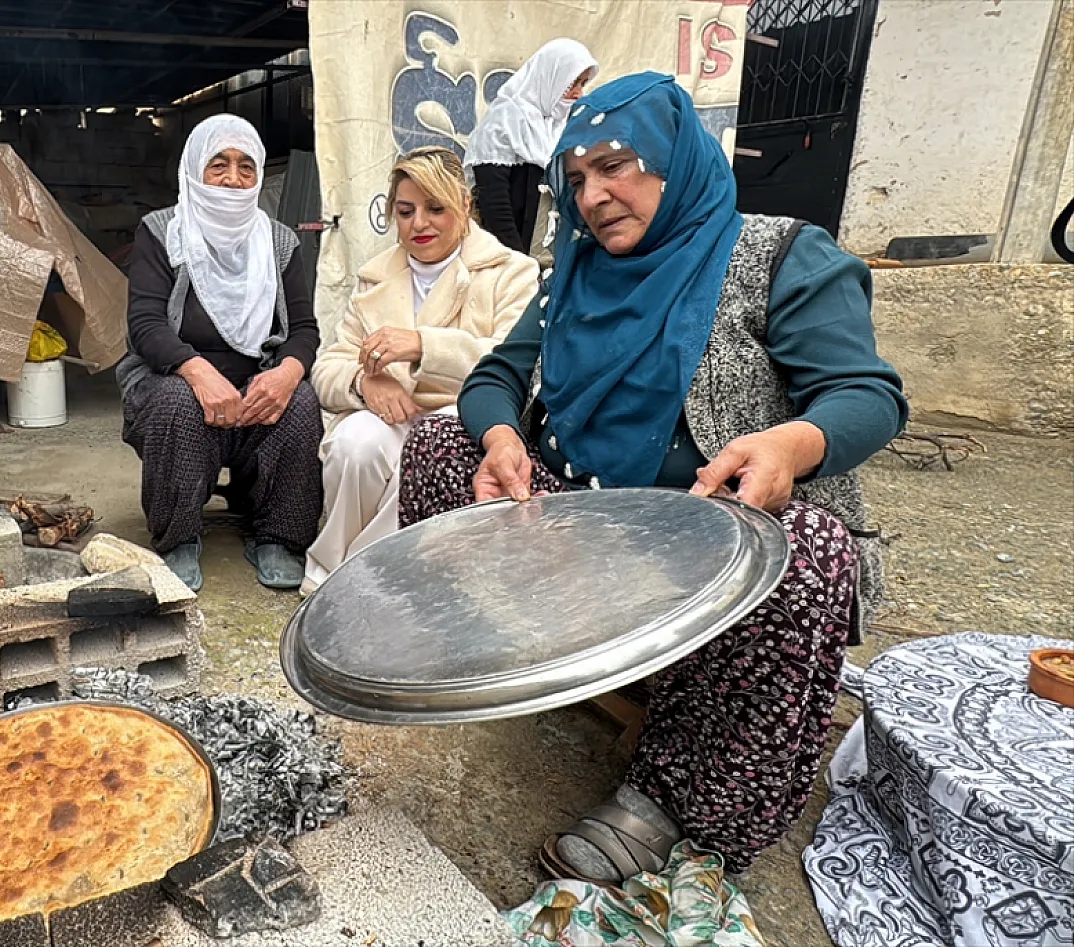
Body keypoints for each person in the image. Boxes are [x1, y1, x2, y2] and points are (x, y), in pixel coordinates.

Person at [399, 73, 908, 882]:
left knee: (809, 554)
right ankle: (509, 655)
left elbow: (867, 395)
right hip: (578, 530)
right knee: (436, 445)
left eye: (615, 165)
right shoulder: (571, 274)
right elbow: (495, 376)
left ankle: (677, 800)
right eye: (576, 179)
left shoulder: (780, 255)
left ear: (676, 160)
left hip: (704, 540)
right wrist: (501, 438)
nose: (595, 196)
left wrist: (790, 443)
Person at [305, 147, 539, 593]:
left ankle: (374, 574)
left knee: (427, 446)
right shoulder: (376, 277)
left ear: (464, 206)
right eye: (406, 210)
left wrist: (423, 345)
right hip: (391, 414)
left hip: (466, 417)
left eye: (436, 208)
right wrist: (363, 382)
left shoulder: (511, 271)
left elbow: (516, 361)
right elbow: (329, 365)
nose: (419, 224)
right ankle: (329, 567)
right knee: (355, 442)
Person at [115, 114, 324, 593]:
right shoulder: (162, 231)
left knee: (302, 402)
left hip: (256, 396)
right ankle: (178, 538)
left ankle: (279, 537)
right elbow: (145, 325)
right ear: (195, 168)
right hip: (181, 385)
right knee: (176, 402)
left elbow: (304, 330)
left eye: (246, 167)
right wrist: (196, 370)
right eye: (219, 164)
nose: (233, 177)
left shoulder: (279, 241)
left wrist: (287, 374)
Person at [463, 38, 598, 255]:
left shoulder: (558, 128)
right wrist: (515, 263)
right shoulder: (504, 121)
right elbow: (494, 204)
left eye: (583, 84)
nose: (579, 94)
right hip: (510, 260)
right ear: (551, 77)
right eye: (573, 83)